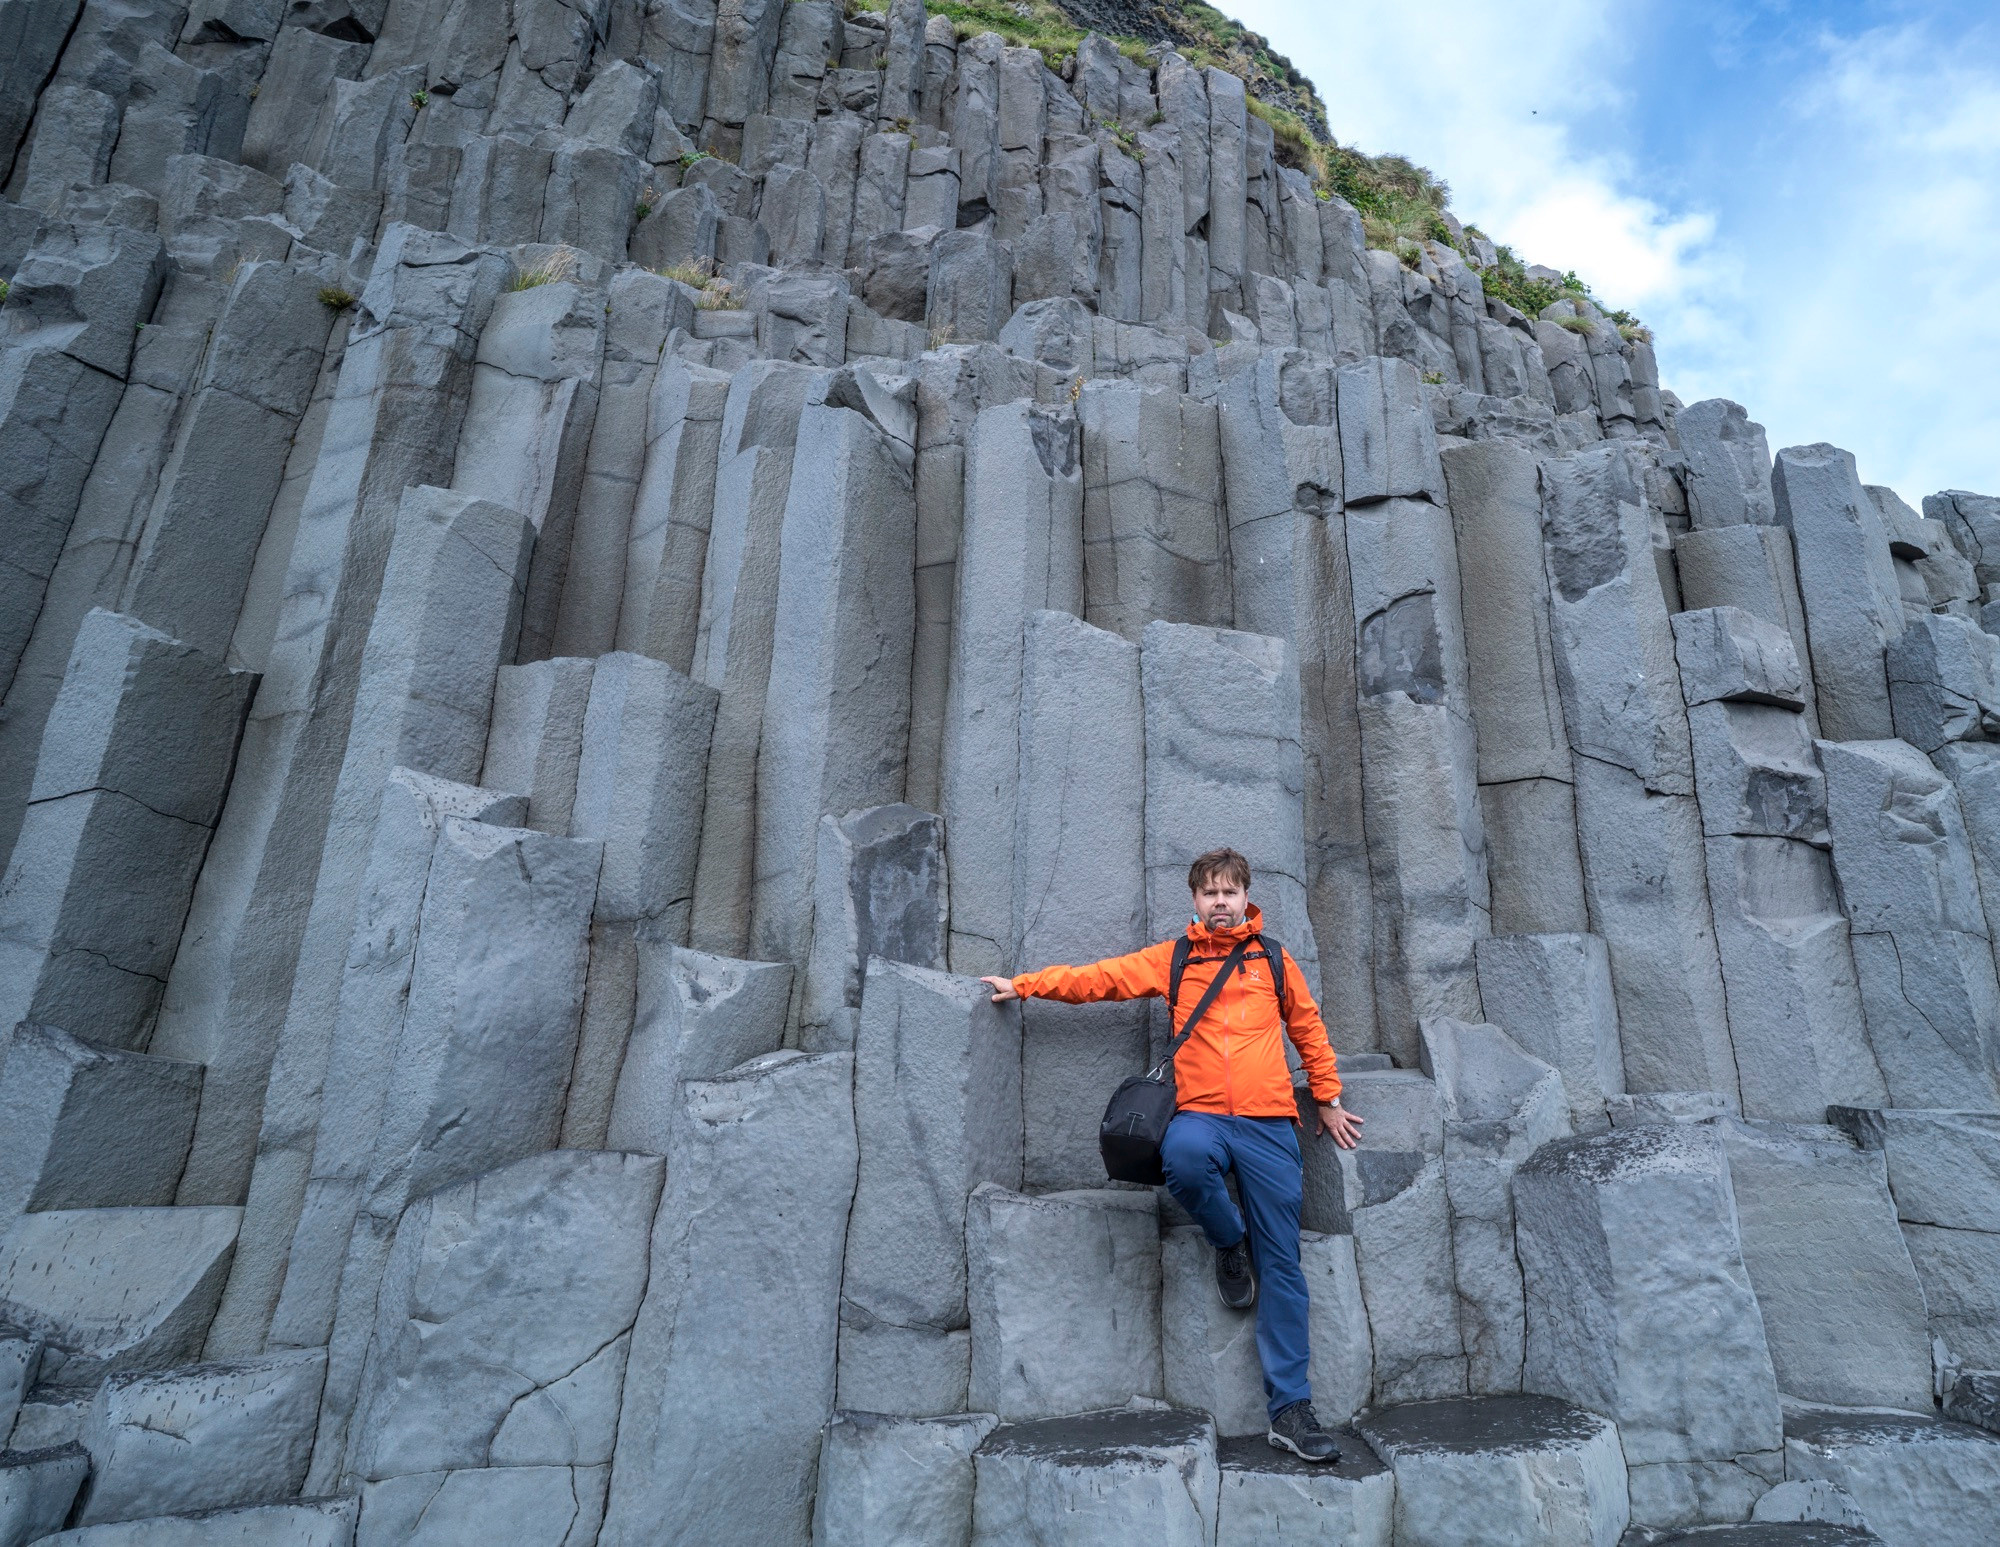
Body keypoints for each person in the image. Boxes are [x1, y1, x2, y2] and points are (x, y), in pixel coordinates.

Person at [981, 846, 1363, 1463]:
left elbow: (1308, 1028)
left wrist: (1328, 1096)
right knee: (1181, 1162)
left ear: (1246, 899)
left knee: (1284, 1267)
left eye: (1229, 892)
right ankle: (1227, 1238)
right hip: (1202, 1116)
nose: (1220, 902)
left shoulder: (1272, 958)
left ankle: (1290, 1409)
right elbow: (1100, 979)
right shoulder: (1177, 958)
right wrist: (1024, 986)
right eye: (1209, 892)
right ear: (1195, 901)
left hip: (1268, 1124)